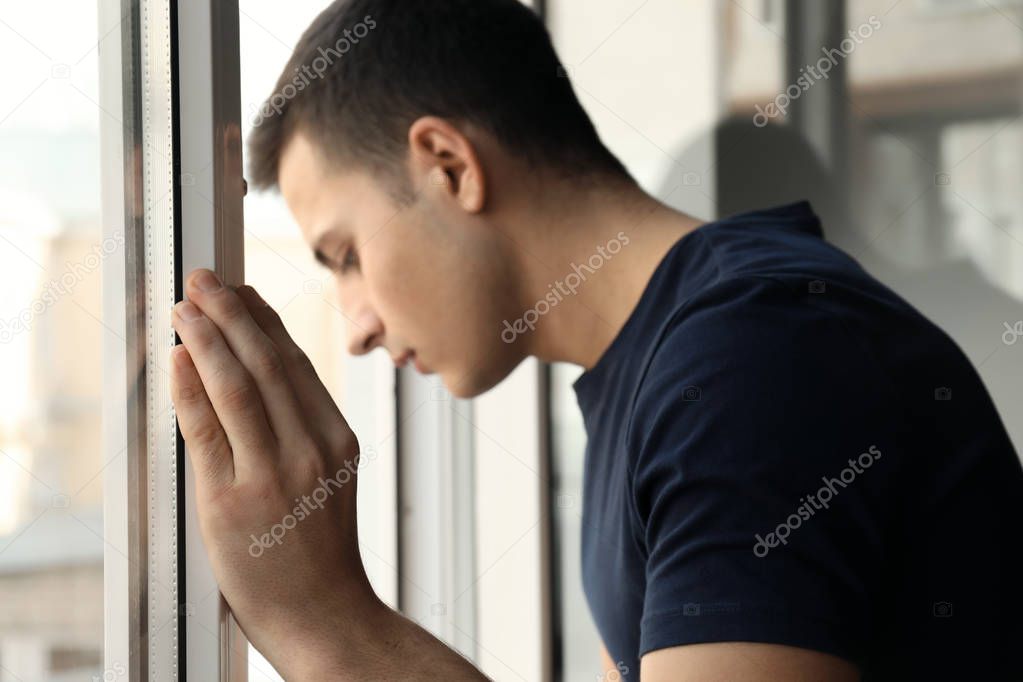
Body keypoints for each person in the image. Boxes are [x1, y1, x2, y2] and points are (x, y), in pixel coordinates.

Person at [168, 0, 1023, 679]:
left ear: (449, 165)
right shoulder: (672, 365)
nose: (353, 327)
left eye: (347, 256)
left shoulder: (751, 360)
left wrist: (324, 622)